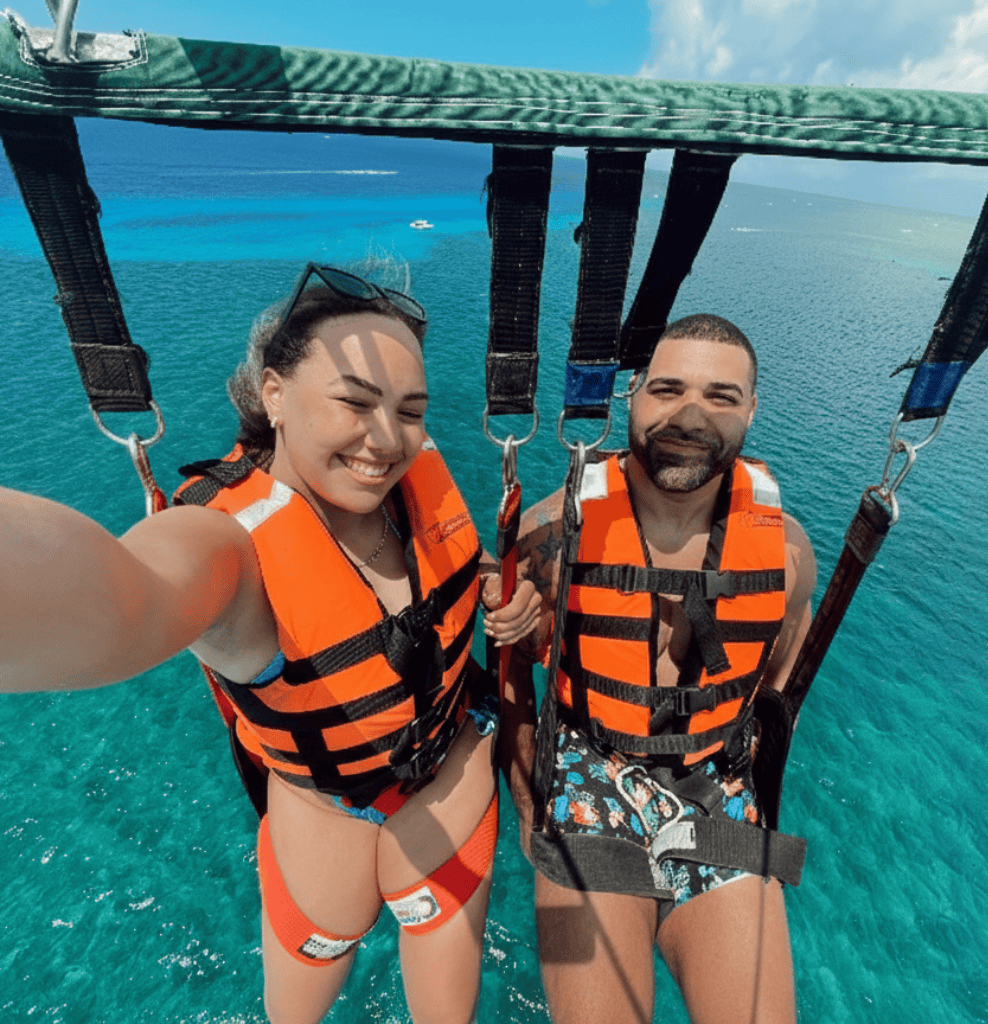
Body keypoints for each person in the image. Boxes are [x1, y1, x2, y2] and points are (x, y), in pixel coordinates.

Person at [0, 263, 540, 1024]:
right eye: (355, 401)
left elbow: (430, 586)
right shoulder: (232, 551)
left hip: (451, 797)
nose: (387, 438)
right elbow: (122, 599)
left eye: (411, 410)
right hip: (326, 836)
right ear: (276, 396)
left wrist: (490, 586)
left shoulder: (412, 491)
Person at [501, 314, 817, 1024]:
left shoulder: (788, 555)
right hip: (590, 779)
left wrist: (748, 786)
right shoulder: (554, 537)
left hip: (716, 783)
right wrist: (529, 804)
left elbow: (773, 687)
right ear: (631, 397)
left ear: (753, 411)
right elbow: (514, 687)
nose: (691, 415)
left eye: (722, 397)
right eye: (667, 388)